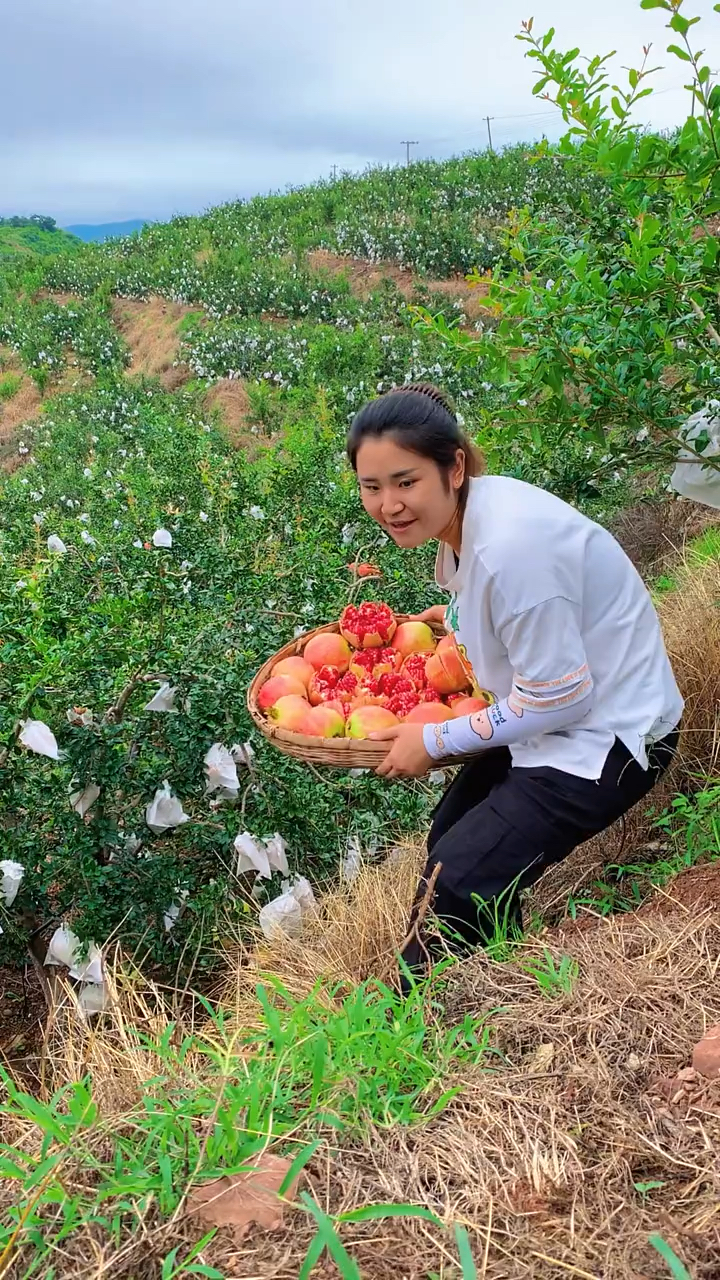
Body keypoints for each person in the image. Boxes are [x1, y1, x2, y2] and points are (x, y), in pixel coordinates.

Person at [346, 382, 683, 983]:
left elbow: (560, 693)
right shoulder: (474, 513)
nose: (388, 504)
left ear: (452, 467)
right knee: (449, 840)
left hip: (612, 738)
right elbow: (507, 615)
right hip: (558, 720)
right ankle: (503, 976)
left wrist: (436, 741)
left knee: (460, 875)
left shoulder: (509, 548)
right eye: (372, 486)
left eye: (405, 482)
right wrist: (450, 618)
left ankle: (417, 1017)